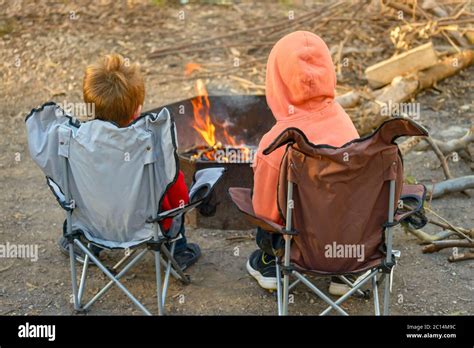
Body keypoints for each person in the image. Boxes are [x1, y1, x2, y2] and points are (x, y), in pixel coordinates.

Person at [58, 53, 200, 270]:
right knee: (171, 207)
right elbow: (178, 193)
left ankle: (83, 246)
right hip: (146, 228)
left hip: (94, 224)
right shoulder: (152, 144)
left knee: (84, 208)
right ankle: (177, 251)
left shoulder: (76, 141)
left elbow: (68, 188)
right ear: (138, 108)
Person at [247, 31, 360, 295]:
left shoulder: (275, 143)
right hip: (349, 243)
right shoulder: (344, 122)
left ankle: (269, 266)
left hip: (298, 247)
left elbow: (265, 214)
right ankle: (345, 274)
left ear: (276, 80)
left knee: (268, 208)